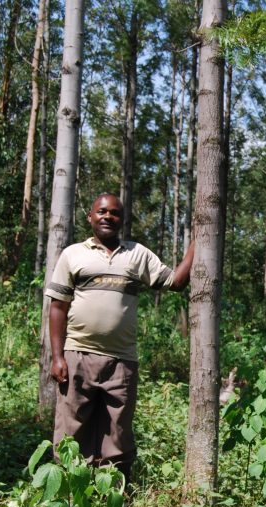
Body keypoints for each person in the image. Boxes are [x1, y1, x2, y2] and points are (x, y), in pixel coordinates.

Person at [45, 193, 194, 484]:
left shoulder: (137, 254)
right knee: (71, 428)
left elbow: (175, 282)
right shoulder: (73, 254)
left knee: (117, 431)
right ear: (90, 216)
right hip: (78, 356)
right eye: (102, 211)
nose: (108, 217)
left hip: (122, 362)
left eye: (114, 213)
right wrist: (58, 357)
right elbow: (58, 307)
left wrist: (198, 241)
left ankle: (113, 492)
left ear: (122, 220)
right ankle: (71, 490)